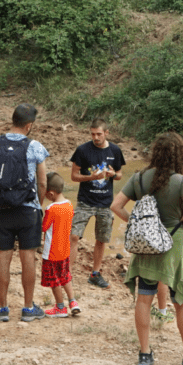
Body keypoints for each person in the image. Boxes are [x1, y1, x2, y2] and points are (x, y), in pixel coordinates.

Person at [110, 132, 183, 365]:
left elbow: (115, 206)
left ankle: (144, 354)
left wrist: (136, 223)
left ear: (155, 153)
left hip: (146, 246)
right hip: (175, 242)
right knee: (181, 300)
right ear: (179, 155)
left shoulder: (139, 178)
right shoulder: (181, 181)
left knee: (144, 297)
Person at [0, 104, 50, 322]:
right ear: (29, 125)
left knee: (3, 255)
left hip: (1, 209)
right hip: (27, 209)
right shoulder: (35, 146)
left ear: (12, 120)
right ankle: (28, 308)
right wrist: (37, 206)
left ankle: (2, 308)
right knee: (27, 256)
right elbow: (42, 182)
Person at [69, 118, 126, 289]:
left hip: (105, 202)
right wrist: (91, 177)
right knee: (73, 236)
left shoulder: (115, 150)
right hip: (85, 201)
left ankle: (95, 273)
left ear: (106, 133)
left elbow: (120, 174)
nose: (96, 137)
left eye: (99, 134)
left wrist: (111, 174)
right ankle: (68, 273)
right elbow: (73, 176)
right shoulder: (82, 150)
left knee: (101, 239)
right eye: (93, 134)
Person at [41, 172, 80, 318]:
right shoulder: (69, 205)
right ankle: (73, 302)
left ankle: (60, 307)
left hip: (51, 252)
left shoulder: (51, 209)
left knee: (54, 280)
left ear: (50, 193)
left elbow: (44, 227)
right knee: (65, 276)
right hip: (65, 250)